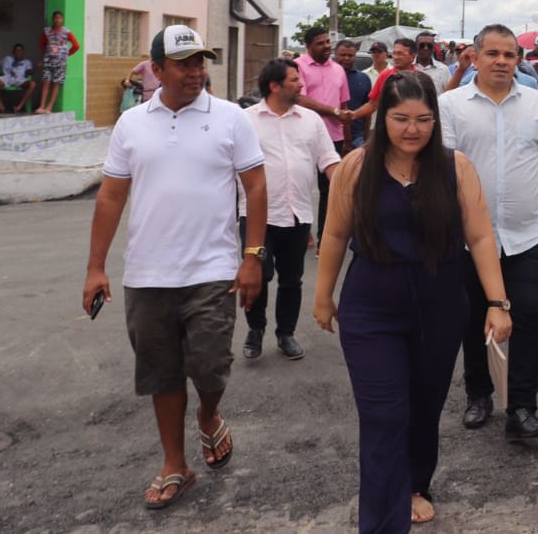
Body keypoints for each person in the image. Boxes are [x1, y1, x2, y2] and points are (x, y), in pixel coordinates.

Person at [313, 72, 512, 531]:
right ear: (383, 117)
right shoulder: (356, 166)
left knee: (424, 406)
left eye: (423, 119)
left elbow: (481, 236)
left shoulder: (454, 167)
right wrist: (323, 296)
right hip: (371, 306)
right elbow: (335, 234)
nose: (412, 129)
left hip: (440, 303)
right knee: (383, 415)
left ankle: (414, 483)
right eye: (400, 118)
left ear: (435, 121)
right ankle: (383, 520)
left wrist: (497, 302)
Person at [82, 25, 267, 511]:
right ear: (157, 70)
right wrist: (95, 267)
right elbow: (111, 196)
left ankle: (208, 413)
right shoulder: (131, 124)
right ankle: (175, 464)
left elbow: (256, 187)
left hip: (213, 269)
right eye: (184, 64)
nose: (195, 72)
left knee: (210, 365)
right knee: (161, 373)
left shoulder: (230, 118)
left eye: (200, 62)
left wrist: (253, 257)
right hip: (147, 274)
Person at [439, 24, 538, 440]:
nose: (502, 62)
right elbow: (445, 169)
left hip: (529, 235)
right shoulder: (450, 105)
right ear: (474, 57)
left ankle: (522, 407)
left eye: (510, 55)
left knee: (528, 318)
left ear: (518, 60)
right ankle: (478, 394)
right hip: (467, 238)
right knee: (473, 317)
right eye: (493, 53)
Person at [240, 58, 341, 361]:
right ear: (274, 86)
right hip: (257, 216)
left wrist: (347, 186)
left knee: (292, 278)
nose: (301, 85)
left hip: (298, 212)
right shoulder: (245, 120)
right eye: (295, 80)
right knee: (259, 274)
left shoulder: (311, 120)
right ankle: (255, 329)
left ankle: (286, 333)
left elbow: (328, 160)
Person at [296, 27, 351, 246]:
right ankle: (303, 232)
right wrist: (333, 112)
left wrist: (347, 139)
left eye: (328, 42)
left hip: (333, 137)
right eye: (320, 43)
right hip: (304, 136)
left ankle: (324, 240)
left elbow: (344, 105)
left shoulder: (338, 70)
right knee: (301, 186)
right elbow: (300, 99)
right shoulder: (298, 66)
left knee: (330, 189)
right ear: (308, 46)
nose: (327, 46)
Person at [36, 10, 79, 113]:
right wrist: (47, 53)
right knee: (46, 82)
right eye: (55, 18)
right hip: (48, 61)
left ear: (62, 20)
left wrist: (66, 54)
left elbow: (76, 46)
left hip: (60, 62)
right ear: (52, 19)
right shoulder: (46, 31)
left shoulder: (67, 32)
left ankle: (49, 107)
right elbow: (41, 44)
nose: (57, 20)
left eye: (59, 18)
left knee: (56, 83)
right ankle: (41, 106)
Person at [335, 39, 373, 149]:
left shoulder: (363, 79)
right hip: (332, 135)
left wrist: (366, 137)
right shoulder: (327, 77)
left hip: (357, 137)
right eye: (343, 55)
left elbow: (368, 111)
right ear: (335, 55)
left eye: (350, 55)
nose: (346, 58)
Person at [0, 43, 35, 113]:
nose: (19, 52)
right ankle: (0, 105)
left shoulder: (27, 62)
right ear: (13, 52)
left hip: (19, 80)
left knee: (32, 84)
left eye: (20, 50)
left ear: (23, 51)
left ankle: (18, 107)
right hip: (7, 78)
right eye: (17, 50)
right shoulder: (7, 59)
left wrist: (36, 68)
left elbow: (29, 72)